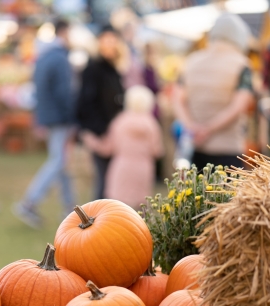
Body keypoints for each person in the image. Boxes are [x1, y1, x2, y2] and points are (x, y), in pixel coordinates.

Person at [12, 19, 75, 229]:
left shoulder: (45, 56)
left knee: (62, 162)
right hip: (60, 117)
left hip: (49, 115)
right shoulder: (59, 58)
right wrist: (72, 116)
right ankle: (29, 202)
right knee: (58, 160)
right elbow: (63, 92)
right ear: (64, 32)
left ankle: (71, 209)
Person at [173, 13, 254, 169]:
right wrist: (209, 129)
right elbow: (239, 105)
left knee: (195, 192)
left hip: (194, 147)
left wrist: (191, 128)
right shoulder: (242, 65)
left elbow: (177, 99)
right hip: (228, 148)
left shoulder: (191, 61)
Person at [82, 85, 163, 209]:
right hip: (143, 169)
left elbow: (107, 148)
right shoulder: (151, 124)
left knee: (117, 209)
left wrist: (91, 140)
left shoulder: (120, 121)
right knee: (141, 210)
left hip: (122, 167)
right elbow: (157, 151)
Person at [77, 26, 125, 200]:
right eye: (107, 41)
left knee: (112, 182)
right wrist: (99, 133)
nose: (110, 45)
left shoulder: (113, 69)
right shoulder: (94, 69)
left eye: (113, 41)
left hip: (113, 132)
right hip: (102, 134)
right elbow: (86, 104)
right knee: (104, 182)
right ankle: (99, 223)